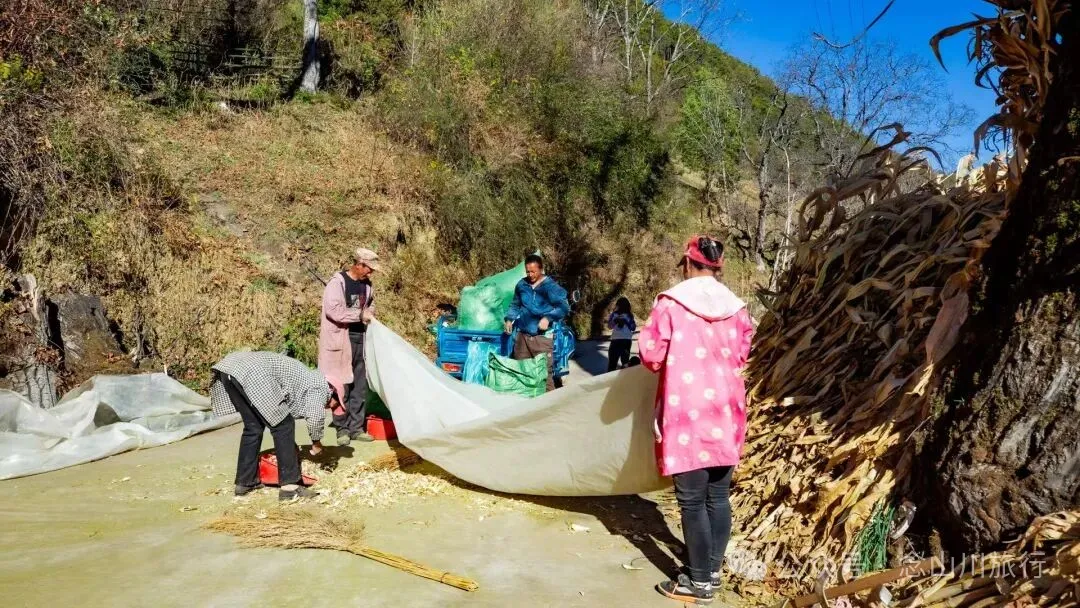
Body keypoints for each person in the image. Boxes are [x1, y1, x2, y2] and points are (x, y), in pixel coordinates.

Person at [638, 236, 755, 605]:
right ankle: (713, 569)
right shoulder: (737, 307)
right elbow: (744, 351)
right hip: (727, 409)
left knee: (691, 500)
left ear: (687, 264)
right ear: (718, 267)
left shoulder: (671, 303)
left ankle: (698, 581)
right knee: (718, 497)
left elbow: (651, 355)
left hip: (685, 409)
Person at [209, 351, 339, 501]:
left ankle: (245, 482)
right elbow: (315, 417)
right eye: (337, 404)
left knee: (254, 427)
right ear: (333, 391)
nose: (332, 408)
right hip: (253, 372)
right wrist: (316, 442)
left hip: (230, 368)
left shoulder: (307, 375)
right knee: (284, 425)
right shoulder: (321, 387)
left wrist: (289, 447)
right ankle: (290, 487)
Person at [319, 247, 380, 446]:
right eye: (369, 269)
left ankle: (357, 428)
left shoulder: (367, 286)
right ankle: (342, 430)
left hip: (360, 339)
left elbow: (370, 305)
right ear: (359, 265)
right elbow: (334, 311)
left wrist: (368, 313)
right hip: (340, 341)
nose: (371, 273)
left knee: (359, 387)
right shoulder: (337, 284)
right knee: (341, 385)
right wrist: (359, 315)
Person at [503, 253, 570, 392]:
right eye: (528, 271)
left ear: (541, 269)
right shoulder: (522, 285)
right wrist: (509, 319)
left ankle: (550, 411)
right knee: (522, 374)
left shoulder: (550, 287)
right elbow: (515, 304)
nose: (530, 274)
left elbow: (564, 307)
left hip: (542, 339)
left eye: (533, 271)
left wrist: (548, 318)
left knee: (544, 377)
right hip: (522, 337)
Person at [607, 297, 636, 372]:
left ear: (618, 305)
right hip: (626, 340)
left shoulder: (614, 314)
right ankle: (624, 380)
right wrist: (624, 321)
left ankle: (610, 380)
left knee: (612, 364)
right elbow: (633, 327)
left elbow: (609, 326)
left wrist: (617, 321)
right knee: (625, 364)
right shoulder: (629, 316)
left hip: (615, 340)